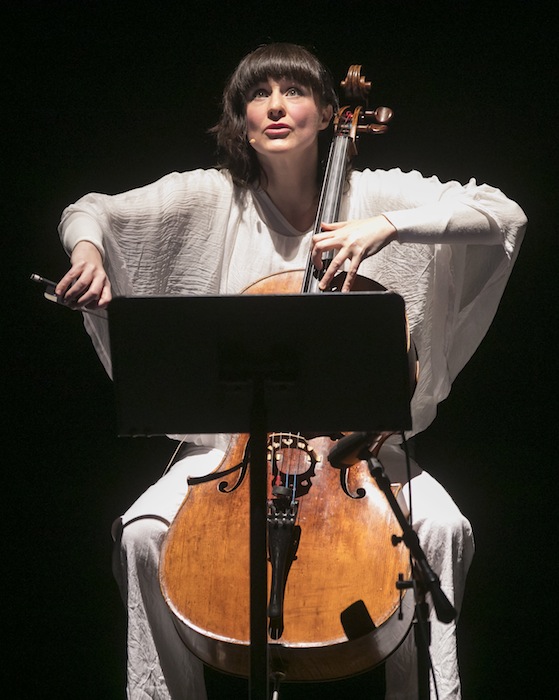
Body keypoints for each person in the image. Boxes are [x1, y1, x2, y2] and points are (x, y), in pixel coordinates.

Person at [55, 43, 526, 699]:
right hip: (234, 455)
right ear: (242, 119)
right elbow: (90, 210)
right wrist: (88, 253)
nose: (275, 106)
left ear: (330, 113)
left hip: (355, 456)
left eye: (294, 91)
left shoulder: (374, 193)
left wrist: (388, 227)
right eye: (258, 94)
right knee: (141, 536)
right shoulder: (216, 196)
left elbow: (504, 214)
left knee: (442, 529)